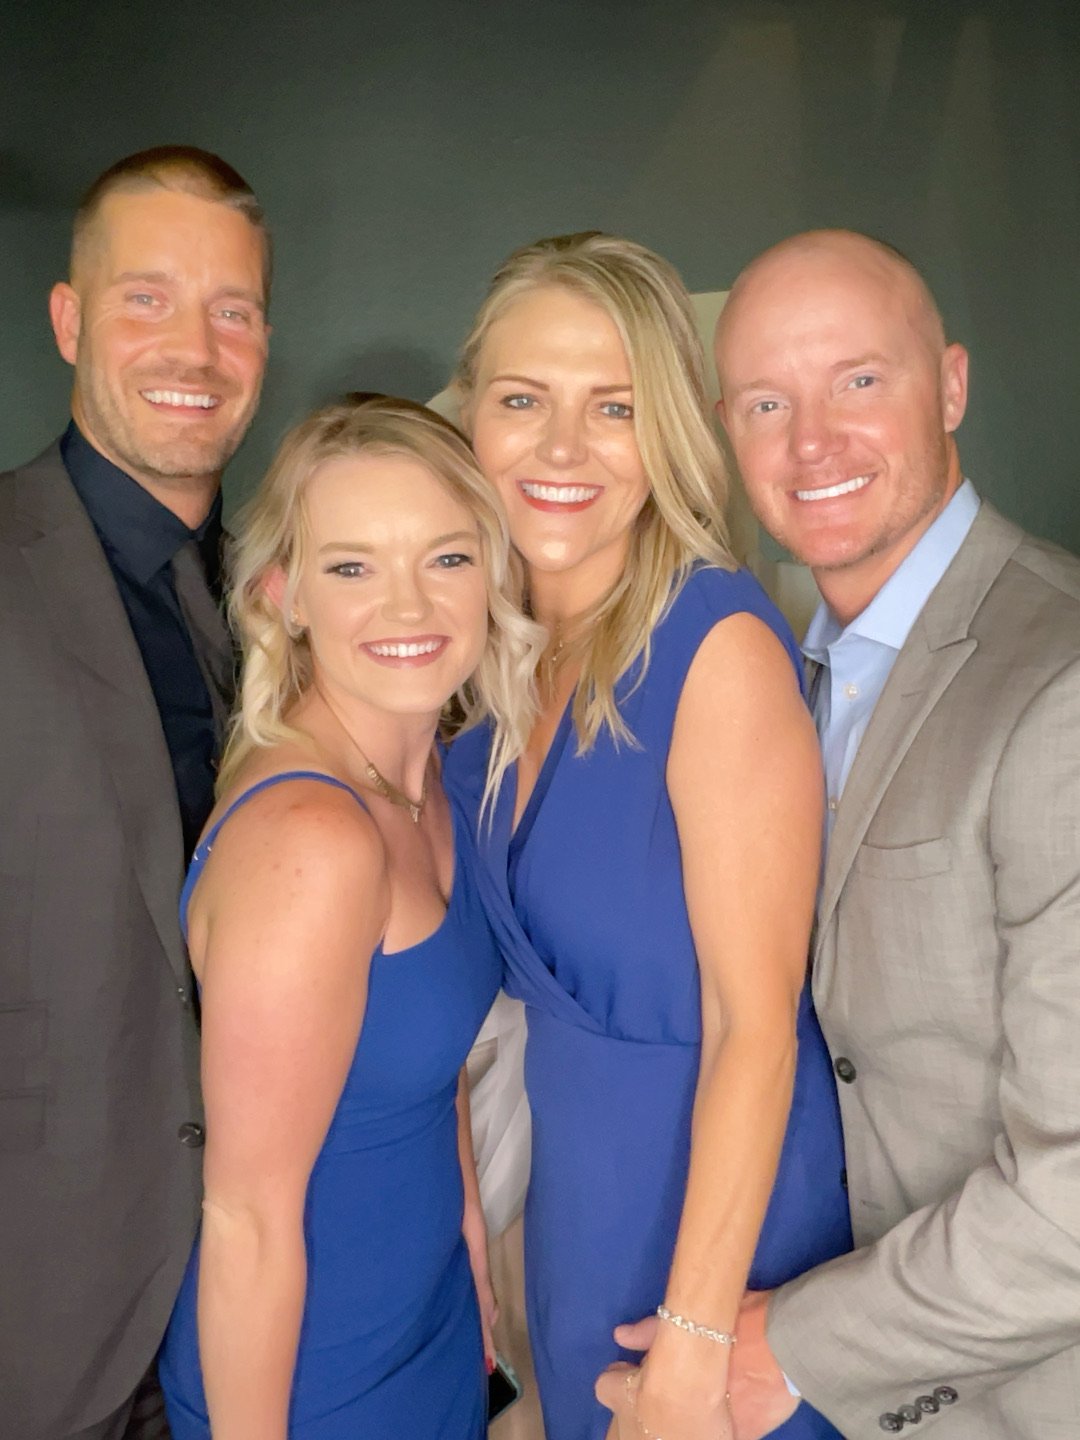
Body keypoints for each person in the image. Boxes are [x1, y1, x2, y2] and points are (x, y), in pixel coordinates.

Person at [444, 231, 853, 1440]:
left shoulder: (713, 647)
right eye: (523, 400)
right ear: (471, 418)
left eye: (612, 406)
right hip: (579, 1246)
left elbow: (754, 1027)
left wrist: (692, 1347)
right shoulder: (483, 680)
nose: (562, 449)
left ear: (667, 430)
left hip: (724, 1265)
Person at [706, 229, 1080, 1437]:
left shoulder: (1059, 678)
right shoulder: (772, 671)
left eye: (859, 381)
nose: (811, 442)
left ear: (953, 384)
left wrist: (799, 1349)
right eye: (768, 401)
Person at [157, 394, 543, 1439]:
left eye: (447, 559)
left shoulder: (439, 782)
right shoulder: (312, 842)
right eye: (352, 567)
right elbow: (245, 1220)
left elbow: (420, 1058)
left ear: (494, 571)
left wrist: (468, 1240)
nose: (408, 607)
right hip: (311, 1383)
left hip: (430, 1328)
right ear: (283, 593)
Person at [0, 146, 269, 1440]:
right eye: (146, 298)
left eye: (234, 309)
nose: (196, 349)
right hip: (40, 1324)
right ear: (69, 318)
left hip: (265, 1314)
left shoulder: (305, 591)